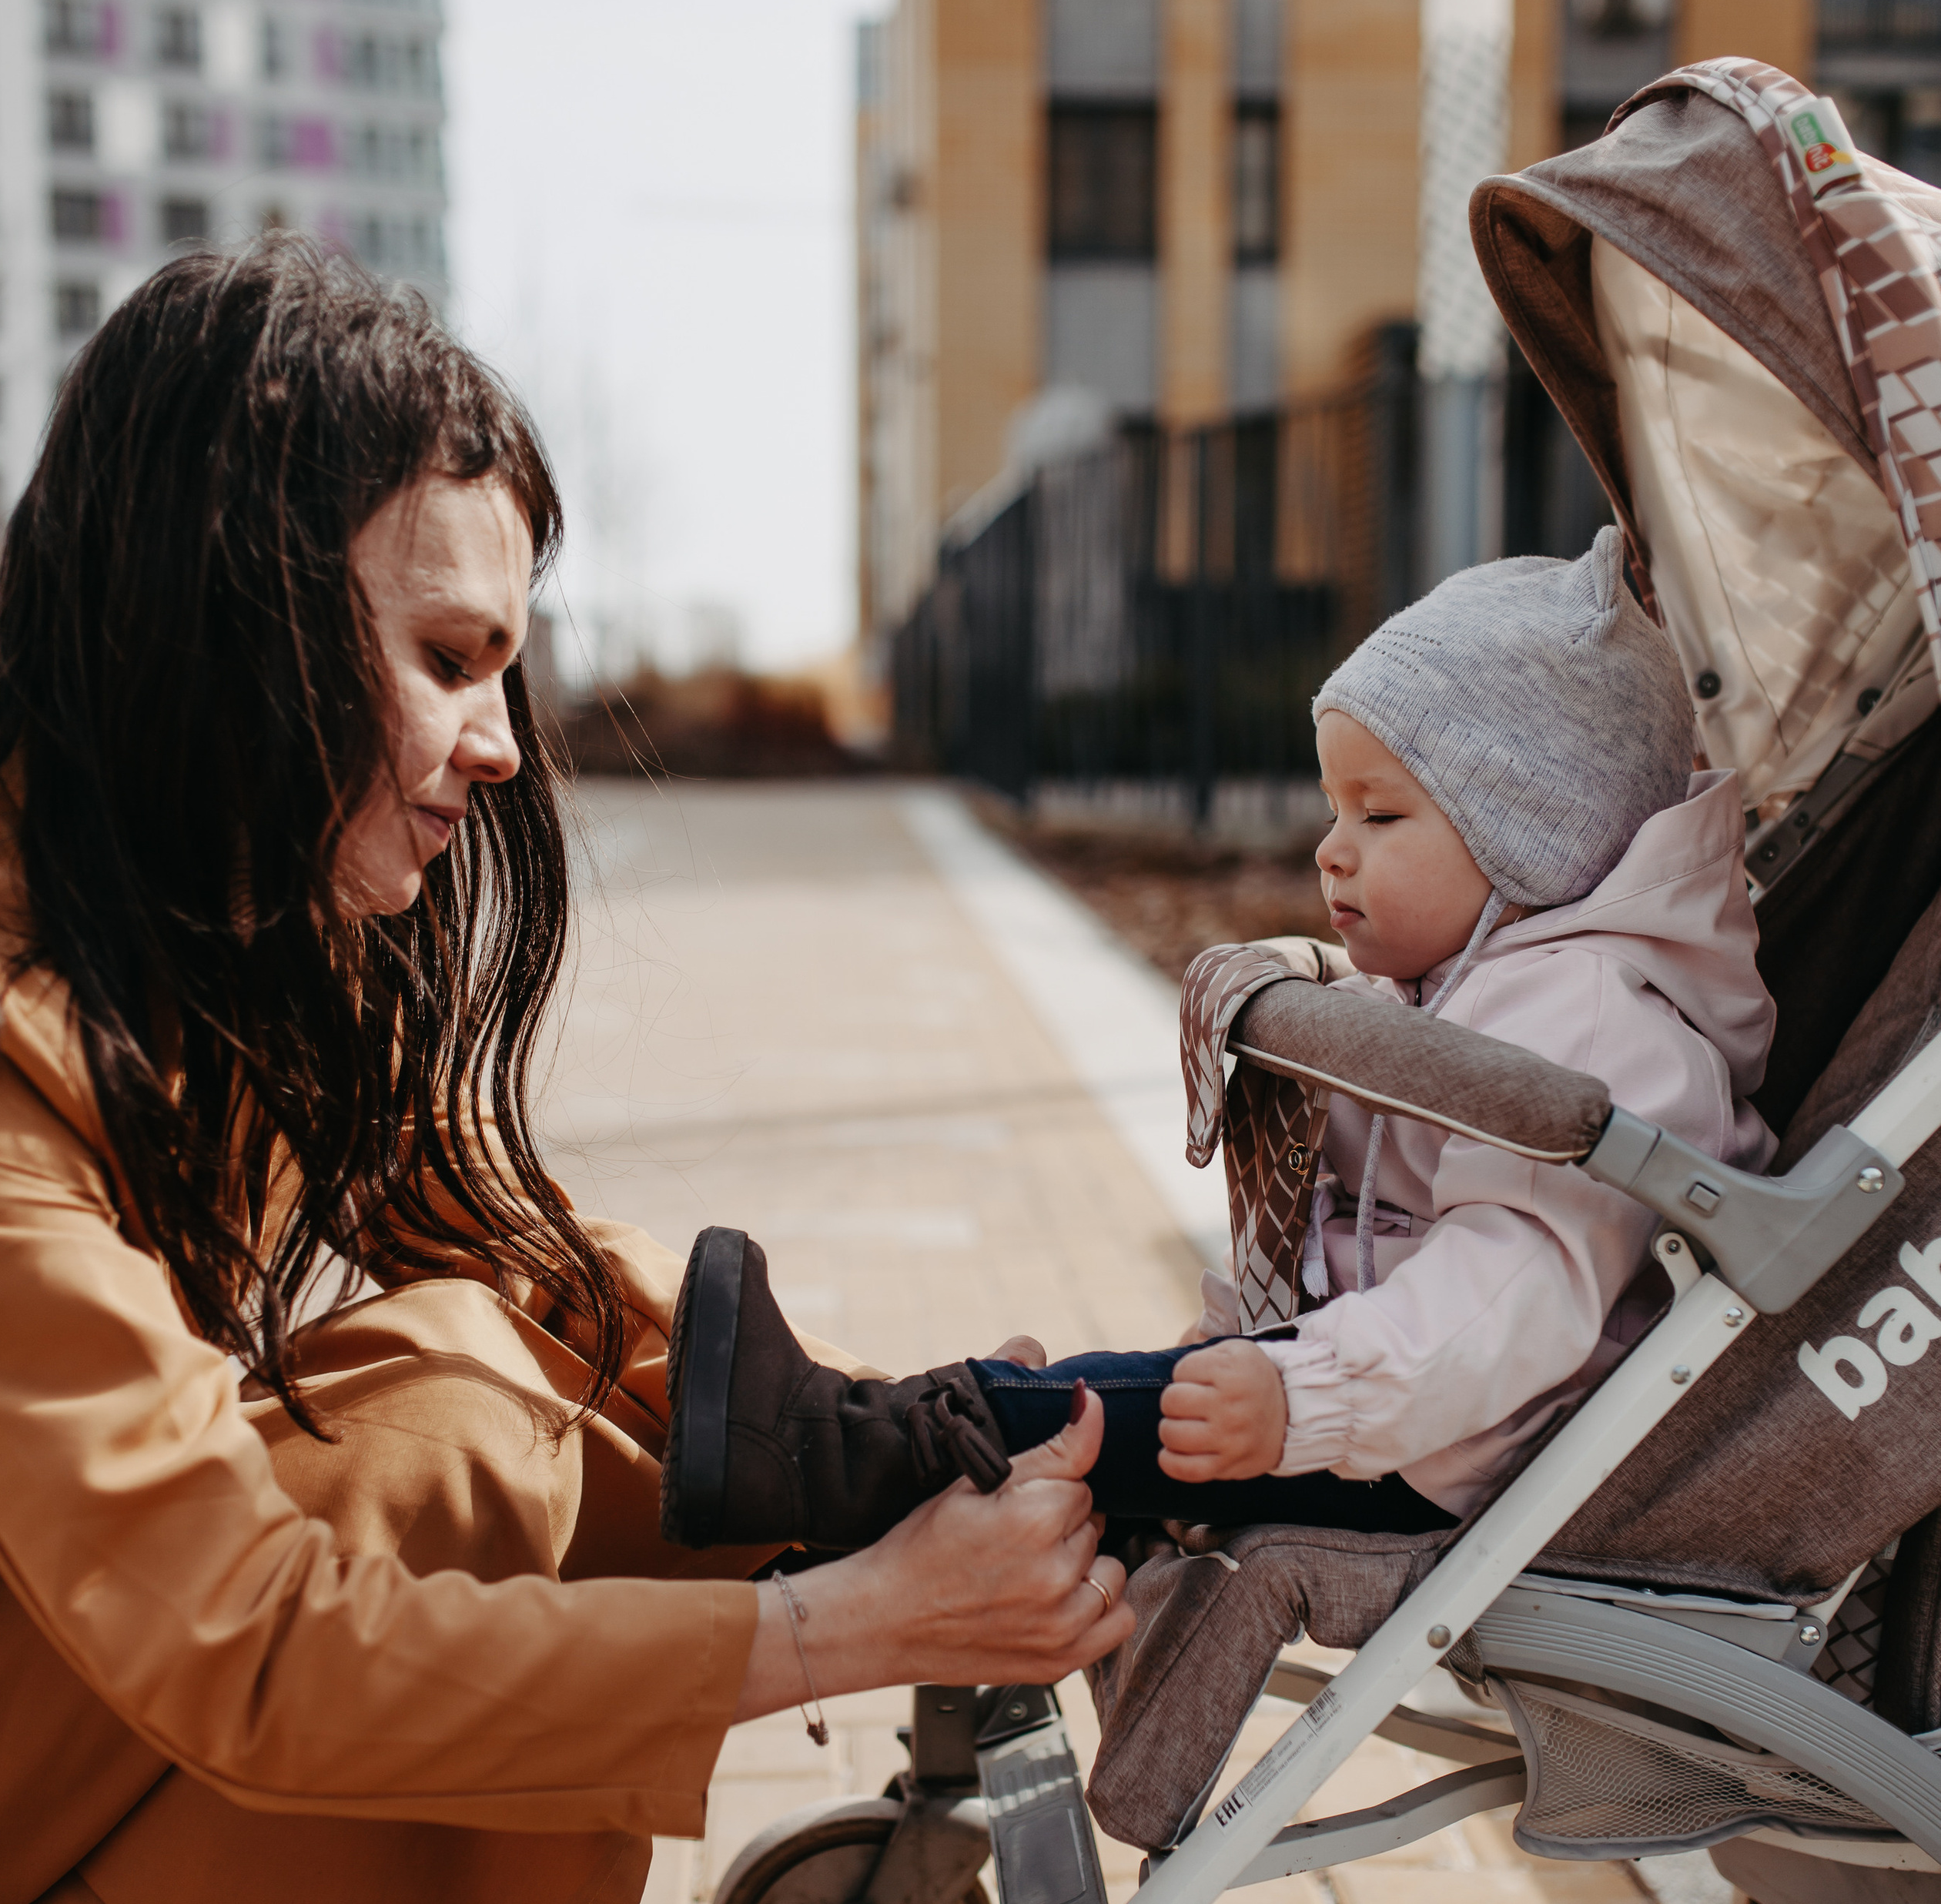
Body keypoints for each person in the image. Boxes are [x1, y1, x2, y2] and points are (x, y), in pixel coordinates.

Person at [0, 240, 1132, 1904]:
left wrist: (875, 1450)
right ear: (234, 618)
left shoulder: (172, 909)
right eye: (444, 658)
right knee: (453, 1472)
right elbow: (249, 1645)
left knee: (449, 1398)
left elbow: (478, 1230)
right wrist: (839, 1624)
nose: (501, 744)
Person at [663, 527, 1775, 1547]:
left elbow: (1516, 1293)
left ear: (1540, 837)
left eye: (1381, 817)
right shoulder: (1466, 986)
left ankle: (822, 1451)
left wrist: (1305, 1396)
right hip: (1381, 1407)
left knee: (1104, 1419)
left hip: (1442, 1450)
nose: (1332, 852)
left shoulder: (1586, 1020)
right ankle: (868, 1474)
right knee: (1128, 1407)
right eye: (1335, 809)